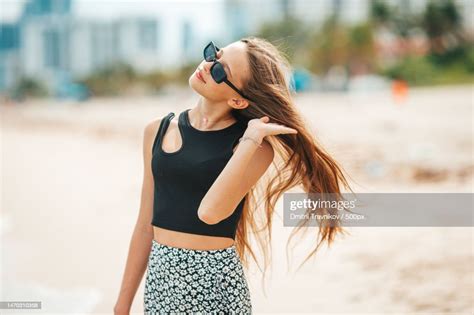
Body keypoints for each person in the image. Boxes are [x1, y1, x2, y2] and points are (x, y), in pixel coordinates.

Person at [114, 36, 352, 314]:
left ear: (238, 100)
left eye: (219, 71)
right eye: (215, 54)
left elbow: (211, 213)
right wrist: (122, 305)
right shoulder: (157, 130)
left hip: (214, 285)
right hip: (160, 282)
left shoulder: (253, 149)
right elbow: (145, 224)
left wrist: (250, 140)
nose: (208, 64)